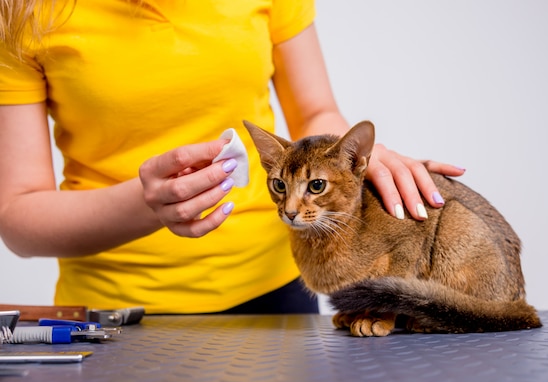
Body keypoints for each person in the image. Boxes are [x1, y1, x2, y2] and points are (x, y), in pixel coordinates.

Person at [0, 0, 465, 314]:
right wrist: (149, 204)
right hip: (112, 318)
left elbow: (314, 110)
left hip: (279, 293)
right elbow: (17, 214)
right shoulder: (24, 12)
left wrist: (353, 158)